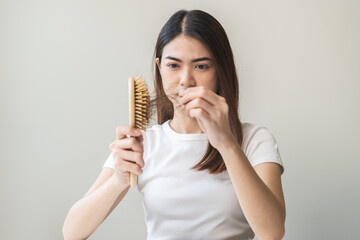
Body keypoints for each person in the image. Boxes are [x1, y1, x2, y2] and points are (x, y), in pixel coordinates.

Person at [63, 9, 286, 240]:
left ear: (220, 70)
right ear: (159, 68)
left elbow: (272, 232)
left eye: (201, 66)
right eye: (174, 65)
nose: (186, 80)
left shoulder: (254, 140)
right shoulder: (143, 143)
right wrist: (119, 179)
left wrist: (228, 144)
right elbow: (72, 231)